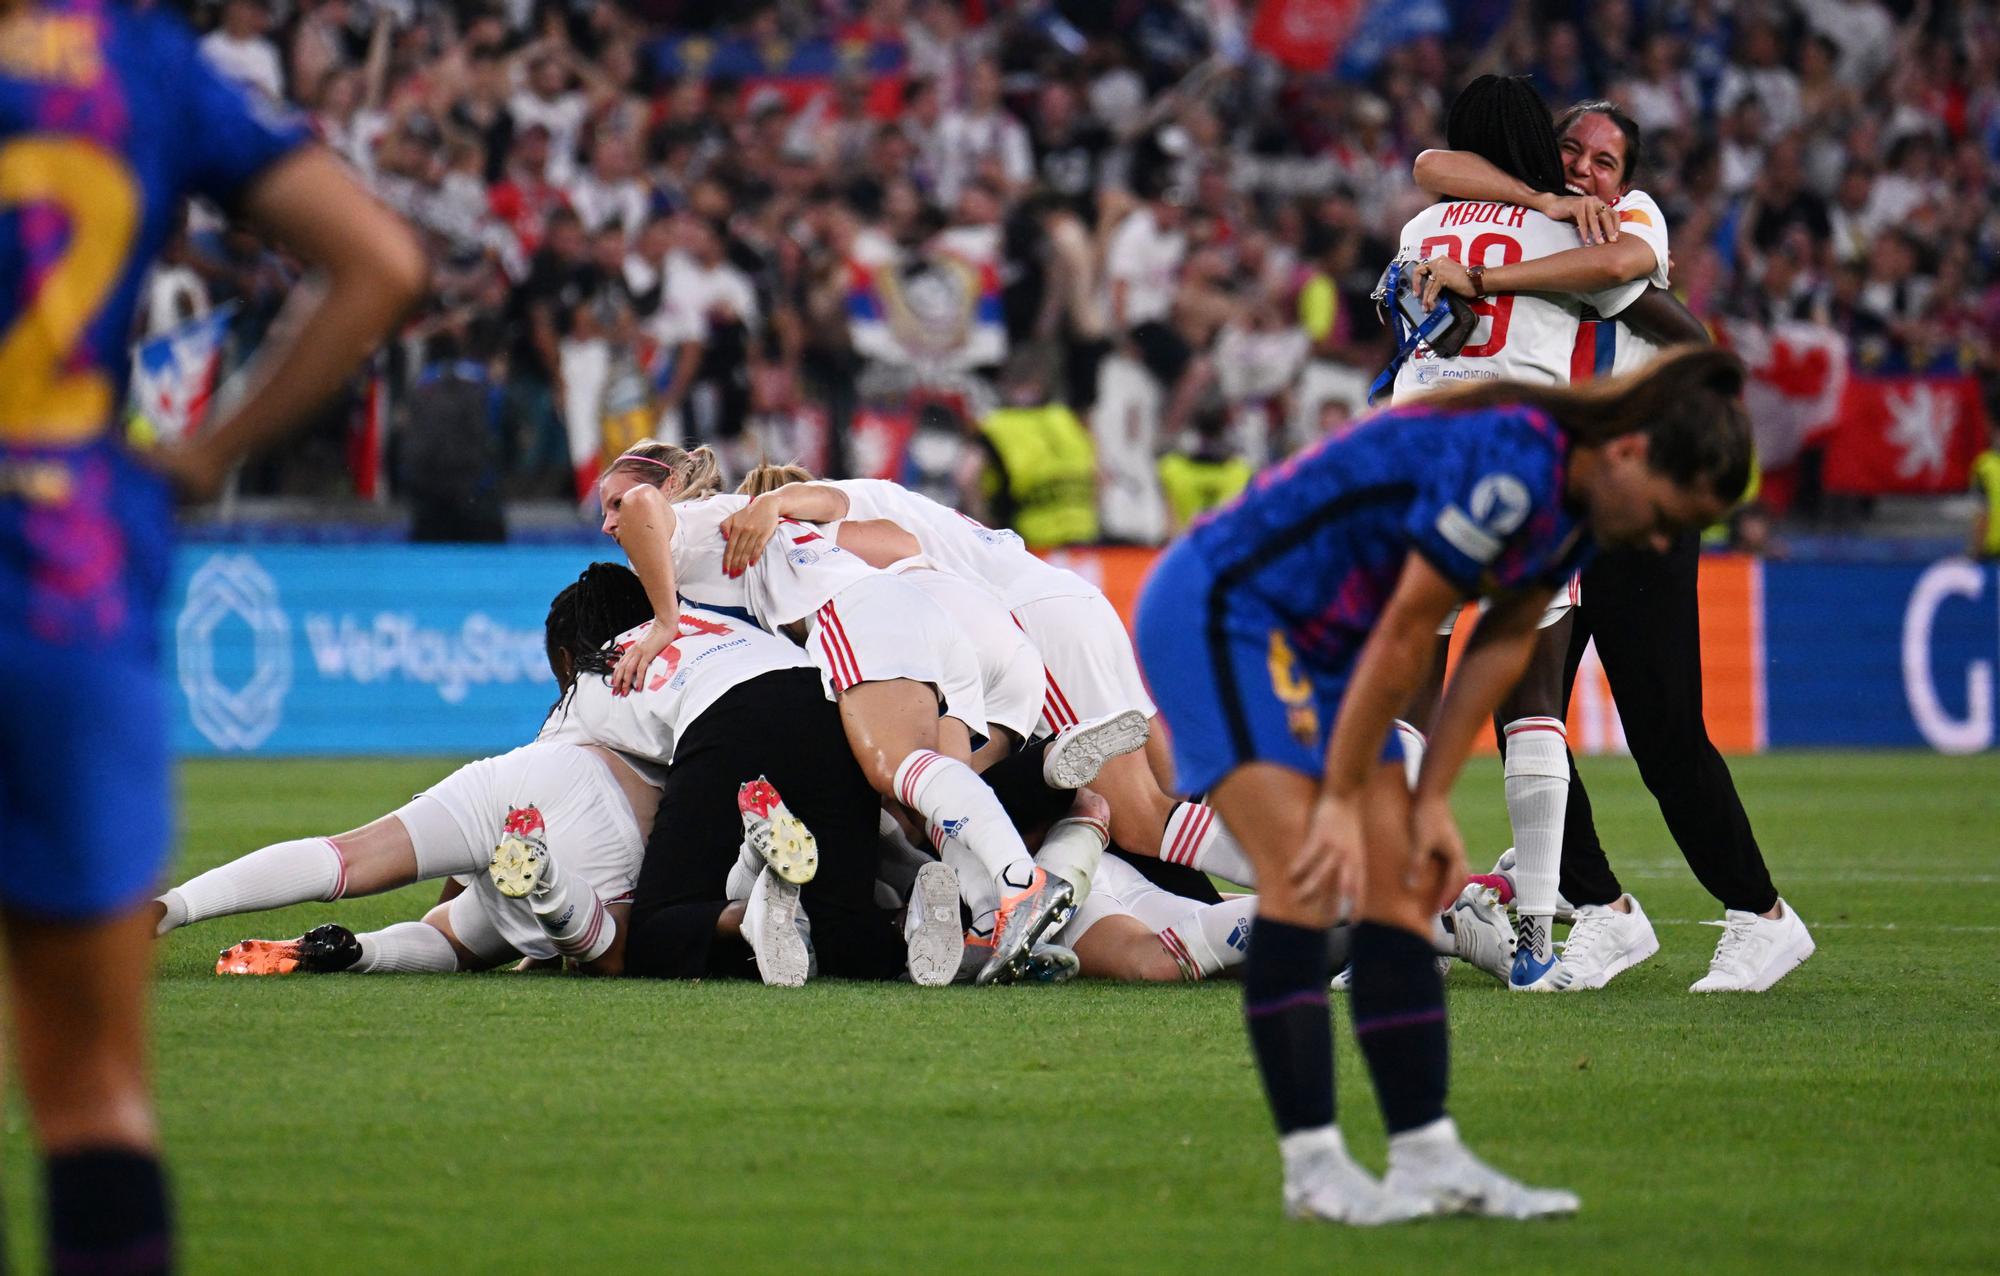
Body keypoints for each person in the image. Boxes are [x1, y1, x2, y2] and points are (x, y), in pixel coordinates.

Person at [1135, 346, 1753, 1224]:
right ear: (1629, 455)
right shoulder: (1516, 467)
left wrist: (1426, 804)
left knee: (1398, 890)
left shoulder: (1578, 504)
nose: (1659, 543)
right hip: (1226, 613)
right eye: (1664, 517)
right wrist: (1344, 800)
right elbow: (1406, 632)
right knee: (1305, 879)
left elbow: (1499, 643)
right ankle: (1314, 1170)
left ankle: (1427, 1159)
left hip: (1317, 637)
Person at [0, 4, 426, 1271]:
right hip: (58, 573)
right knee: (89, 1093)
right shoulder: (134, 60)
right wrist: (205, 456)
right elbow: (384, 264)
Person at [1416, 98, 1816, 993]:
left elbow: (1628, 266)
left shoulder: (1627, 221)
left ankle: (1762, 917)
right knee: (1526, 709)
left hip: (1642, 499)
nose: (1585, 171)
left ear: (1627, 179)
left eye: (1604, 161)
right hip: (1567, 492)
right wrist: (1542, 204)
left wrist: (1488, 280)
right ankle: (1601, 909)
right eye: (1572, 151)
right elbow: (1433, 166)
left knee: (1662, 731)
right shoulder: (1531, 215)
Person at [1391, 77, 1691, 990]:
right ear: (1539, 147)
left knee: (1408, 706)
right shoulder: (1575, 231)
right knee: (1533, 704)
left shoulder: (1415, 233)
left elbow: (1429, 170)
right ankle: (1534, 939)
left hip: (1416, 464)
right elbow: (1649, 304)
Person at [596, 444, 1091, 986]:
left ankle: (1023, 882)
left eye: (612, 504)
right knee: (933, 806)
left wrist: (665, 623)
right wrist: (778, 501)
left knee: (893, 768)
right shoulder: (749, 521)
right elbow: (834, 501)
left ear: (671, 489)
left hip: (859, 616)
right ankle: (995, 924)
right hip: (923, 619)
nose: (609, 522)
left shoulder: (685, 523)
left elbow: (644, 503)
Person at [713, 468, 1265, 894]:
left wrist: (770, 506)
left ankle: (1321, 898)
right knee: (1173, 791)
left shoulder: (822, 524)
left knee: (1142, 821)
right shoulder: (896, 502)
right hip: (1071, 601)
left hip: (1032, 624)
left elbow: (827, 505)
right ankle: (1269, 906)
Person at [155, 739, 651, 976]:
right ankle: (546, 884)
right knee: (608, 955)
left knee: (345, 858)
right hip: (612, 813)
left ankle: (172, 907)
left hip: (524, 768)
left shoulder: (579, 694)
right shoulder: (683, 653)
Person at [1969, 420, 2000, 561]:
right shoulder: (1984, 466)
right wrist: (1978, 548)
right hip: (1993, 548)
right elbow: (1982, 511)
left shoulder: (1984, 465)